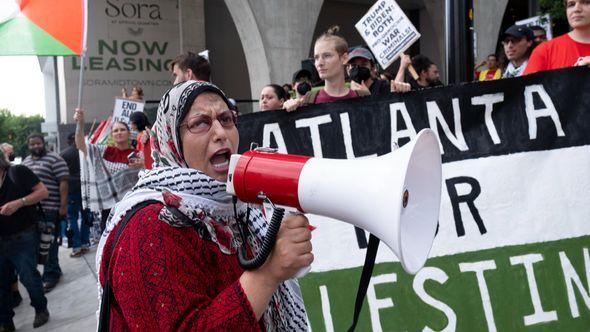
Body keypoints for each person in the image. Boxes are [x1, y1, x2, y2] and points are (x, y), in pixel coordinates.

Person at [96, 81, 312, 330]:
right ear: (171, 140)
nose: (221, 133)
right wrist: (268, 273)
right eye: (200, 123)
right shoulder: (147, 227)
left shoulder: (238, 208)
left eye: (226, 119)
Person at [0, 149, 50, 331]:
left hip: (23, 236)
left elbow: (43, 192)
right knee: (1, 284)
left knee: (28, 277)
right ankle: (6, 322)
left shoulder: (17, 172)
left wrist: (19, 202)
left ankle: (40, 309)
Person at [73, 112, 142, 233]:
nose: (119, 132)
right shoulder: (104, 151)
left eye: (122, 130)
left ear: (129, 133)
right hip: (109, 209)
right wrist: (80, 124)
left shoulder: (139, 155)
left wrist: (143, 165)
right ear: (112, 135)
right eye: (115, 131)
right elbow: (81, 145)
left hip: (133, 208)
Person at [22, 134, 69, 293]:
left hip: (51, 208)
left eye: (38, 143)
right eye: (32, 144)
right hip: (32, 212)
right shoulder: (26, 162)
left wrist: (63, 206)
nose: (36, 146)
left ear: (43, 143)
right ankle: (54, 269)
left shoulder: (55, 159)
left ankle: (51, 275)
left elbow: (63, 183)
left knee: (49, 243)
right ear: (29, 146)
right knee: (39, 244)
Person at [284, 26, 371, 111]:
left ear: (344, 58)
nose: (319, 63)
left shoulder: (363, 97)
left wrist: (369, 100)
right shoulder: (308, 100)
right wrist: (285, 111)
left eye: (327, 56)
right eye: (316, 58)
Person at [524, 0, 590, 74]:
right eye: (571, 4)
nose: (576, 9)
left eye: (586, 2)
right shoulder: (545, 50)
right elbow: (527, 85)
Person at [60, 133, 90, 258]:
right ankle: (84, 243)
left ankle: (76, 246)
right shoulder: (86, 151)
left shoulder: (64, 154)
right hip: (86, 187)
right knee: (86, 217)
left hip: (71, 190)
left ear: (68, 141)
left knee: (72, 218)